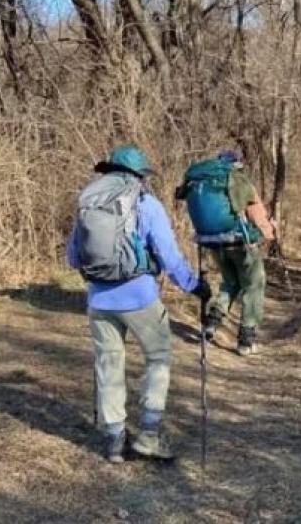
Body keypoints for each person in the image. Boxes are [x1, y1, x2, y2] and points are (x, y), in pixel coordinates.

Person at [66, 144, 210, 463]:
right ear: (138, 175)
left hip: (99, 300)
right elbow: (169, 256)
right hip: (139, 297)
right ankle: (148, 435)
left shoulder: (88, 201)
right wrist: (194, 285)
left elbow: (73, 257)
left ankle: (115, 439)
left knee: (108, 363)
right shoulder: (145, 204)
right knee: (157, 358)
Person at [177, 149, 275, 356]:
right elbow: (256, 213)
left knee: (231, 283)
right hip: (239, 242)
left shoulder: (204, 180)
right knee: (254, 285)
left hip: (213, 242)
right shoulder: (237, 179)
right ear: (238, 163)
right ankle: (246, 341)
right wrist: (269, 232)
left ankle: (211, 323)